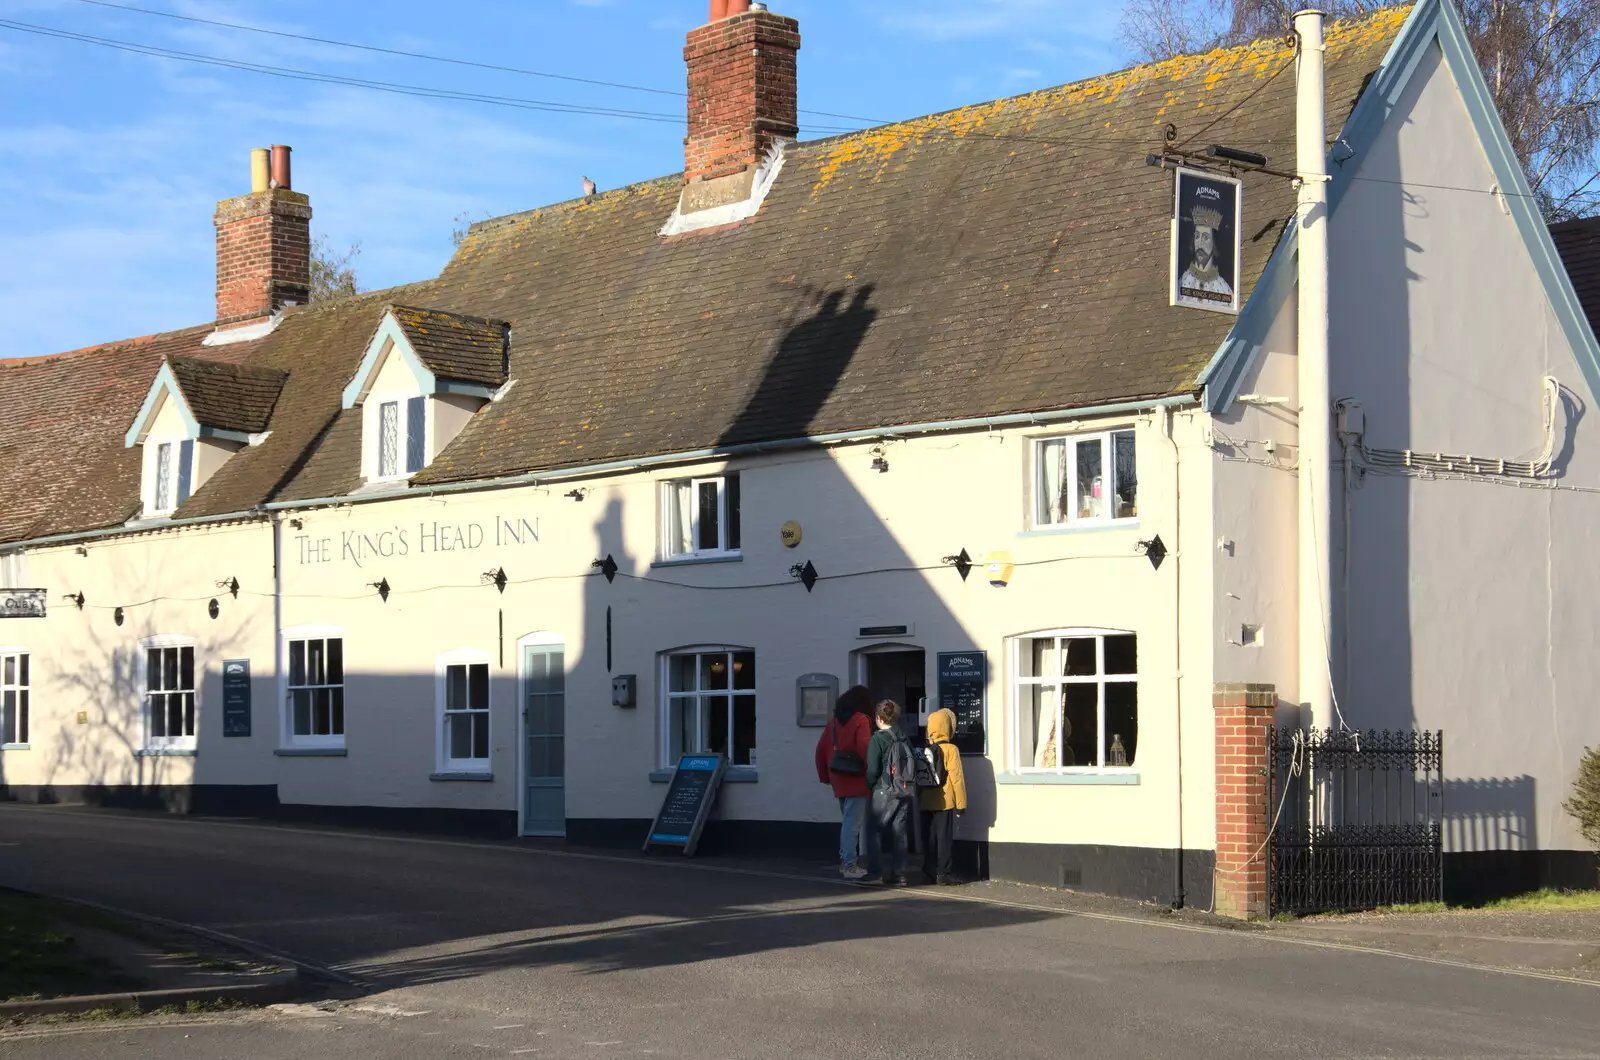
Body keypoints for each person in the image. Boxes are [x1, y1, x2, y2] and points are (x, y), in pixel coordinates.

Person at [814, 685, 873, 879]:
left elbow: (820, 751)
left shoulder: (833, 723)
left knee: (847, 821)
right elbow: (865, 747)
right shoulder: (861, 720)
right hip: (857, 777)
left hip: (838, 777)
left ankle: (845, 861)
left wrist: (825, 776)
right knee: (852, 823)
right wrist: (873, 772)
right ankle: (849, 865)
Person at [863, 699, 914, 887]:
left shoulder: (878, 739)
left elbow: (872, 769)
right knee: (899, 832)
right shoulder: (903, 735)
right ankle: (899, 874)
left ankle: (875, 873)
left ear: (878, 717)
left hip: (884, 790)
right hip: (904, 789)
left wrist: (870, 786)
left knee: (873, 830)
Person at [920, 707, 967, 885]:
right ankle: (943, 873)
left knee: (929, 838)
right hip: (945, 801)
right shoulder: (951, 750)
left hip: (926, 801)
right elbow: (957, 779)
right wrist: (961, 804)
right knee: (944, 838)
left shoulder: (926, 749)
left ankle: (928, 870)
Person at [1178, 202, 1233, 301]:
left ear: (1214, 243)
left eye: (1206, 237)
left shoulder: (1224, 290)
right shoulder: (1182, 282)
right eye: (1197, 236)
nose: (1200, 243)